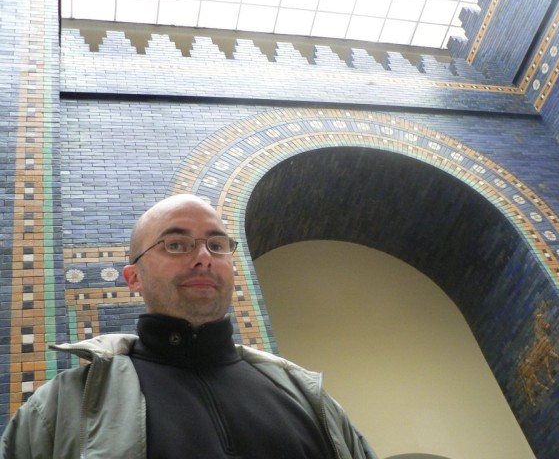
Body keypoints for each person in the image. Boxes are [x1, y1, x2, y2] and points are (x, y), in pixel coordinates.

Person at [1, 194, 376, 458]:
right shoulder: (61, 408)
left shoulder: (310, 398)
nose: (203, 258)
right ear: (133, 278)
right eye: (176, 245)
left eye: (216, 245)